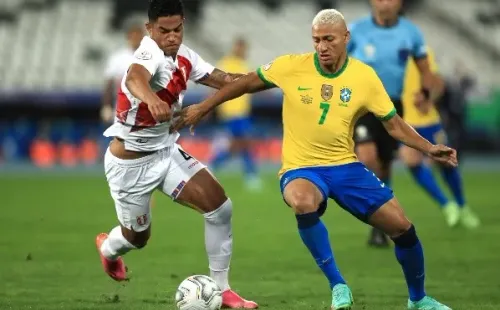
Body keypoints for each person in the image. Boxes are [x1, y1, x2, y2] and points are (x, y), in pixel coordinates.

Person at [172, 8, 454, 310]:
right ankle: (338, 285)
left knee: (403, 229)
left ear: (346, 38)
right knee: (303, 202)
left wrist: (428, 148)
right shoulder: (291, 67)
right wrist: (203, 107)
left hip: (345, 166)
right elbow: (243, 83)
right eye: (316, 40)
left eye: (329, 39)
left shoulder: (364, 77)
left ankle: (418, 298)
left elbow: (394, 124)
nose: (321, 46)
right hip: (301, 167)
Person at [96, 0, 257, 308]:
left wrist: (267, 79)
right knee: (137, 238)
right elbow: (134, 78)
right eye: (164, 31)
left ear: (184, 24)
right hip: (128, 165)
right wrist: (150, 99)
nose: (172, 37)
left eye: (178, 29)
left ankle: (222, 291)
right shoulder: (148, 51)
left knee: (220, 208)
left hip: (166, 152)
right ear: (149, 29)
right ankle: (108, 249)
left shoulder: (184, 55)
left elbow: (225, 80)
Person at [347, 0, 443, 247]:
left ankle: (381, 225)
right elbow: (339, 65)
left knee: (385, 167)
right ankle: (378, 219)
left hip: (392, 106)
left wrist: (425, 92)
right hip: (362, 106)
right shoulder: (356, 31)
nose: (385, 3)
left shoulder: (410, 32)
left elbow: (426, 71)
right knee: (367, 157)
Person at [401, 47, 480, 228]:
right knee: (411, 162)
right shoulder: (387, 57)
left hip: (429, 121)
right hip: (405, 122)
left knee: (445, 163)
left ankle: (462, 206)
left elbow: (438, 83)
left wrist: (429, 99)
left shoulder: (421, 51)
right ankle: (447, 205)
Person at [212, 37, 261, 190]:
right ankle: (250, 175)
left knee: (238, 146)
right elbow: (215, 85)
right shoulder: (225, 64)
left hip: (242, 113)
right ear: (235, 48)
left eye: (244, 48)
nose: (242, 51)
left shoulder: (245, 65)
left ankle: (214, 165)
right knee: (245, 142)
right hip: (231, 112)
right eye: (240, 47)